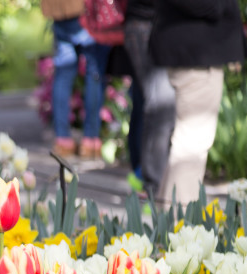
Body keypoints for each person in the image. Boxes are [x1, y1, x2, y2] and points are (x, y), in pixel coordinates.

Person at [150, 0, 246, 207]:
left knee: (187, 143)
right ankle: (179, 227)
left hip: (193, 53)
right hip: (196, 57)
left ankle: (166, 223)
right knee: (192, 145)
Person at [41, 0, 111, 160]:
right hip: (85, 9)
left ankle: (63, 140)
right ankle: (91, 140)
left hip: (58, 9)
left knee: (64, 73)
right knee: (94, 70)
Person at [121, 0, 175, 192]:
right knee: (160, 105)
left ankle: (142, 173)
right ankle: (151, 183)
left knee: (147, 100)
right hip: (146, 26)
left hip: (144, 24)